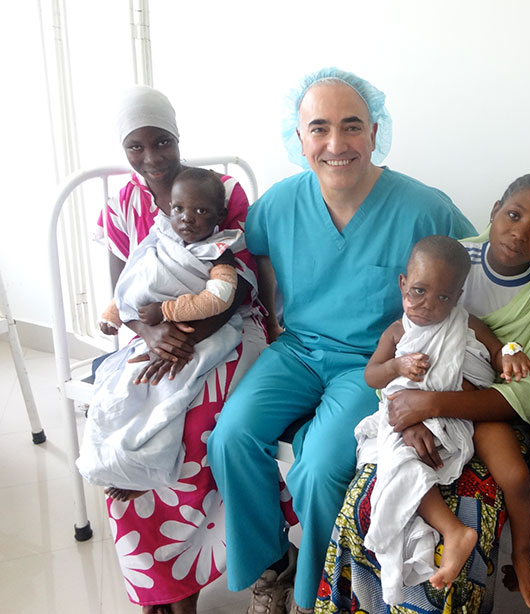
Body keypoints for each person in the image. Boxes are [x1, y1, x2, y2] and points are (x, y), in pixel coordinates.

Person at [206, 68, 475, 614]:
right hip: (299, 351)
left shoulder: (424, 208)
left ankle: (317, 592)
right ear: (298, 138)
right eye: (319, 128)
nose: (336, 144)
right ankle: (273, 567)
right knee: (230, 437)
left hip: (372, 366)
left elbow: (475, 273)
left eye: (351, 127)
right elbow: (254, 259)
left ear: (375, 133)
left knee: (321, 465)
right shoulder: (281, 203)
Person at [318, 173, 530, 614]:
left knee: (512, 477)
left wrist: (505, 357)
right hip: (414, 404)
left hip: (488, 403)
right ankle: (376, 590)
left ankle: (525, 557)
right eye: (513, 215)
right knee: (384, 480)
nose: (520, 232)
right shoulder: (451, 263)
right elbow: (383, 373)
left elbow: (506, 358)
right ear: (495, 210)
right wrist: (412, 408)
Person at [97, 86, 269, 614]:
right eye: (136, 147)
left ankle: (184, 586)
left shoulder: (223, 189)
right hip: (154, 334)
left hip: (227, 328)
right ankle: (151, 586)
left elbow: (242, 283)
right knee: (119, 418)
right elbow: (124, 293)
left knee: (189, 433)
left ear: (178, 137)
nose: (151, 158)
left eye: (162, 141)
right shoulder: (121, 205)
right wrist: (151, 335)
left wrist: (180, 334)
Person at [356, 235, 530, 603]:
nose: (428, 305)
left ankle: (523, 556)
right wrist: (395, 365)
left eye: (443, 297)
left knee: (516, 476)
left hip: (472, 413)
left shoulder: (467, 323)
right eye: (418, 291)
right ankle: (454, 532)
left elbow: (498, 352)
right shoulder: (398, 331)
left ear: (457, 297)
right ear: (403, 283)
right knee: (404, 464)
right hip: (411, 417)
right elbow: (373, 376)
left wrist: (513, 354)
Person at [80, 168, 242, 500]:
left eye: (201, 211)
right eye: (179, 209)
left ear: (219, 217)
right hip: (154, 332)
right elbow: (133, 282)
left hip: (207, 334)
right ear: (168, 209)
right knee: (126, 386)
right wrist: (115, 314)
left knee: (174, 393)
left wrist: (166, 312)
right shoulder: (160, 241)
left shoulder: (220, 252)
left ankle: (147, 468)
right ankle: (113, 458)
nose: (187, 219)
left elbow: (219, 298)